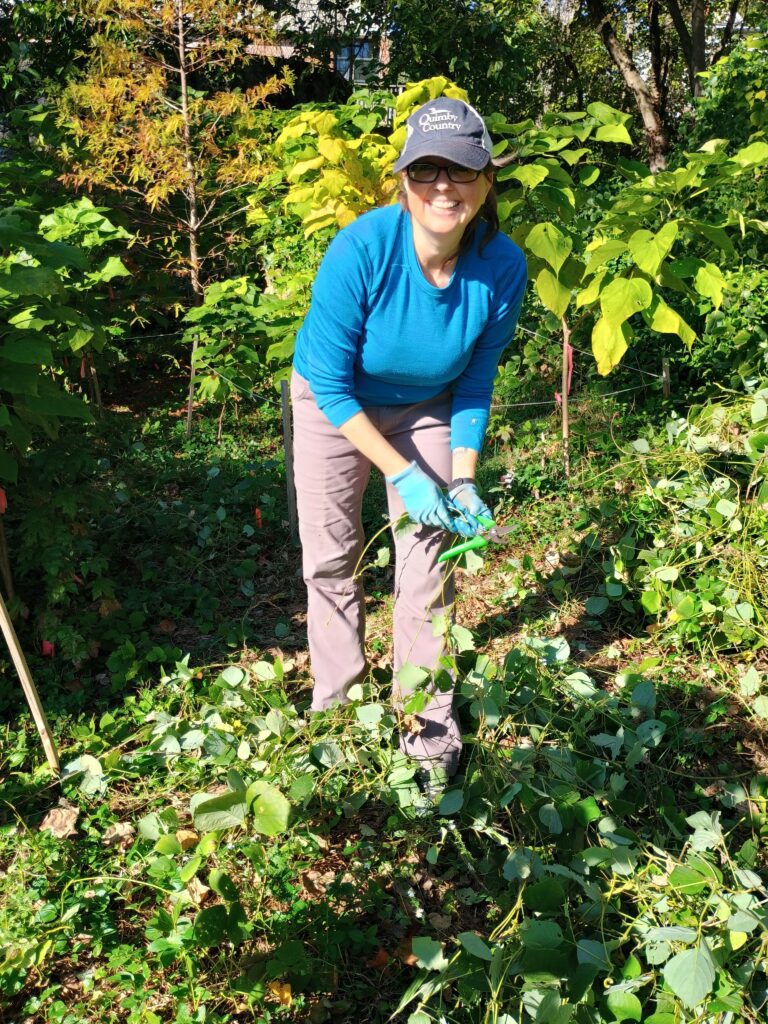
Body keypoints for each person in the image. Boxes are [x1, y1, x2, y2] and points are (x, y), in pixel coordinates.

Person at [290, 97, 527, 785]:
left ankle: (426, 734)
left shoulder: (501, 266)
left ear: (486, 183)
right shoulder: (361, 250)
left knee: (428, 565)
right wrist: (405, 475)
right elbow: (331, 387)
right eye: (426, 170)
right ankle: (338, 716)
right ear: (402, 180)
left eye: (461, 170)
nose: (443, 187)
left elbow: (476, 382)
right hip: (335, 406)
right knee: (333, 558)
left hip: (428, 405)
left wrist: (459, 479)